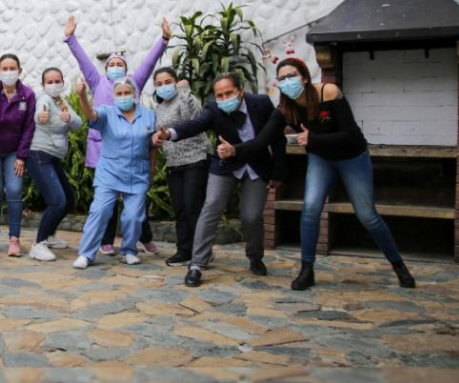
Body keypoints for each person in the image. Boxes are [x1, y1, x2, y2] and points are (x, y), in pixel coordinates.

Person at [224, 58, 416, 290]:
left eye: (291, 76)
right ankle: (307, 270)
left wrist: (313, 138)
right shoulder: (285, 109)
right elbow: (262, 140)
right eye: (282, 78)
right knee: (310, 209)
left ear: (304, 77)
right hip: (321, 160)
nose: (287, 82)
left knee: (367, 215)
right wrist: (234, 150)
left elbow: (351, 134)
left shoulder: (328, 92)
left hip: (352, 158)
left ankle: (399, 267)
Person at [154, 72, 287, 287]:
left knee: (251, 216)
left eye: (229, 93)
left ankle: (255, 257)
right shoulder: (213, 109)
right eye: (220, 95)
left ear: (241, 91)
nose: (224, 99)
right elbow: (195, 125)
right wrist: (169, 133)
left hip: (257, 165)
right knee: (211, 206)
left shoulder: (261, 103)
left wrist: (278, 173)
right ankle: (197, 264)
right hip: (225, 165)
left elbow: (277, 139)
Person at [64, 15, 168, 255]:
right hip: (102, 151)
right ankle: (106, 241)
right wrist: (70, 38)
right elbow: (82, 60)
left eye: (120, 63)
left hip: (132, 150)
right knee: (106, 200)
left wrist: (163, 40)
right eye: (111, 64)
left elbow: (149, 63)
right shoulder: (97, 81)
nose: (115, 67)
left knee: (134, 200)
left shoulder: (134, 83)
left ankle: (143, 238)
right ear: (105, 68)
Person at [73, 77, 157, 269]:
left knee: (134, 216)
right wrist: (82, 96)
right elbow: (91, 115)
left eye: (127, 93)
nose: (124, 96)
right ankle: (86, 254)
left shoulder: (149, 115)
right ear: (113, 96)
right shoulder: (107, 113)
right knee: (100, 211)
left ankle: (129, 250)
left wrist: (151, 172)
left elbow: (153, 146)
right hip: (109, 174)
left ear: (135, 94)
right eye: (119, 93)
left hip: (138, 174)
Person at [150, 68, 209, 268]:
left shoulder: (188, 99)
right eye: (158, 84)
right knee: (181, 210)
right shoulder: (158, 109)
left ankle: (202, 253)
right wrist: (155, 137)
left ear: (176, 82)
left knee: (194, 207)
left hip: (195, 158)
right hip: (174, 163)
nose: (163, 86)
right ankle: (184, 251)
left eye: (168, 81)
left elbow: (192, 119)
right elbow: (157, 131)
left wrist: (184, 91)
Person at [0, 53, 36, 256]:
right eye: (5, 68)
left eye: (13, 69)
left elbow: (29, 127)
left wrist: (21, 155)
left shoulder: (27, 95)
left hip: (14, 152)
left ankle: (14, 238)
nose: (9, 72)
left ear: (20, 71)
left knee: (14, 189)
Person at [26, 67, 83, 261]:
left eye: (57, 80)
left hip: (53, 158)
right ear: (43, 85)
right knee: (57, 200)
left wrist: (70, 118)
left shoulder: (63, 102)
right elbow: (40, 114)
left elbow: (79, 124)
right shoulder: (44, 100)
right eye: (49, 82)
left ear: (63, 82)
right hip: (39, 155)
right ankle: (38, 244)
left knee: (69, 199)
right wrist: (40, 117)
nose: (54, 84)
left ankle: (49, 236)